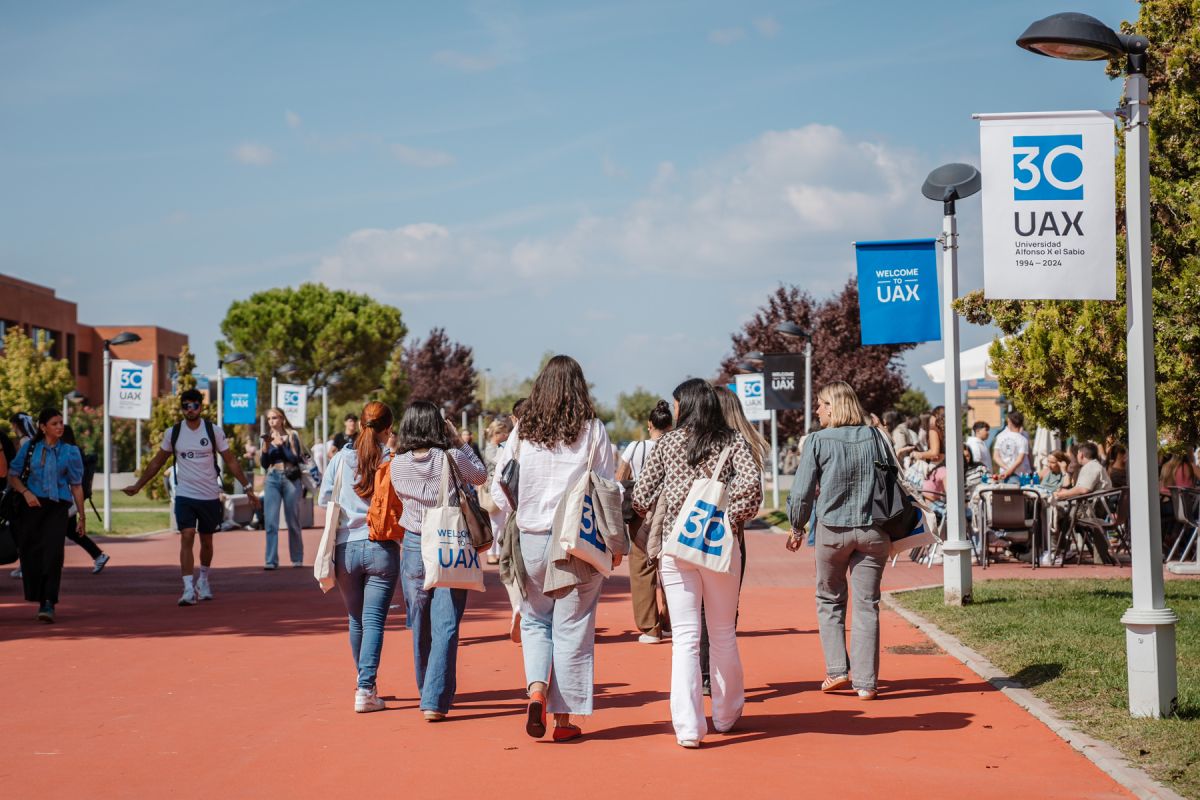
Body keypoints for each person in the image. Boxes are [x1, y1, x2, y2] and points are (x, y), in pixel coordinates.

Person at [491, 355, 619, 742]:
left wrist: (524, 508)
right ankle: (563, 720)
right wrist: (615, 543)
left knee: (534, 619)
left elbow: (499, 487)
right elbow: (609, 485)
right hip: (574, 541)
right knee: (572, 628)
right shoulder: (592, 429)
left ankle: (535, 691)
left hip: (530, 538)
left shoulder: (523, 431)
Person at [631, 379, 761, 748]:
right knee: (722, 633)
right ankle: (726, 713)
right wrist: (729, 518)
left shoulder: (668, 443)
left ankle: (688, 727)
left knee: (685, 639)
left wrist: (665, 503)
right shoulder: (733, 441)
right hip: (720, 546)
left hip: (677, 546)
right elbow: (752, 488)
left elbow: (640, 495)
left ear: (685, 405)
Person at [786, 381, 891, 701]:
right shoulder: (877, 437)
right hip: (874, 529)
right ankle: (866, 682)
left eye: (820, 404)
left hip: (833, 530)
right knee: (867, 604)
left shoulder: (818, 441)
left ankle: (836, 671)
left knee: (829, 599)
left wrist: (796, 526)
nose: (816, 410)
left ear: (833, 406)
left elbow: (802, 491)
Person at [391, 401, 487, 721]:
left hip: (415, 541)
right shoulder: (449, 456)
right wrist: (458, 440)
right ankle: (434, 698)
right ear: (436, 425)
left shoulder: (397, 463)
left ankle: (426, 687)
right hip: (448, 538)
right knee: (446, 622)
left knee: (420, 619)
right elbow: (480, 476)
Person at [124, 389, 259, 605]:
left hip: (209, 494)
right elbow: (158, 462)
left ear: (201, 407)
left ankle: (203, 579)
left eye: (194, 405)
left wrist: (247, 487)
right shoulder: (174, 433)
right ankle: (188, 588)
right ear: (182, 408)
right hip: (185, 494)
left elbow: (231, 460)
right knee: (187, 536)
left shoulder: (212, 431)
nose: (190, 409)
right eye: (186, 406)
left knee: (206, 541)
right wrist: (139, 485)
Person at [317, 401, 400, 714]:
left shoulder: (339, 460)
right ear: (387, 428)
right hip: (380, 544)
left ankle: (365, 684)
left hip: (345, 547)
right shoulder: (390, 459)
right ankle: (366, 687)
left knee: (356, 619)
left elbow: (325, 498)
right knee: (374, 620)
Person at [7, 409, 84, 622]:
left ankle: (48, 602)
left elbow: (76, 486)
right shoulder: (30, 448)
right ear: (43, 427)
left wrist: (82, 517)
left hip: (57, 508)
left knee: (53, 553)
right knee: (31, 554)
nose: (60, 427)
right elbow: (13, 476)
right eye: (54, 423)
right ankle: (38, 594)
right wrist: (26, 492)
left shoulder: (70, 452)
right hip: (30, 508)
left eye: (61, 422)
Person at [617, 399, 673, 645]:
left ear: (649, 424)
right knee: (671, 567)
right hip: (670, 510)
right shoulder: (675, 446)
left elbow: (621, 477)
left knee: (642, 567)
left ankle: (650, 628)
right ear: (671, 425)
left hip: (640, 514)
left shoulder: (635, 447)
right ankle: (671, 620)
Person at [1053, 442, 1114, 564]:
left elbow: (1083, 489)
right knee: (1060, 513)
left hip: (1091, 511)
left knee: (1057, 514)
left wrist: (1061, 494)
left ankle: (1057, 552)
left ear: (1080, 455)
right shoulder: (1095, 466)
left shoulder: (1090, 467)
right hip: (1097, 509)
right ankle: (1061, 551)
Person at [260, 407, 305, 569]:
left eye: (275, 417)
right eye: (269, 418)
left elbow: (294, 457)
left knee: (292, 520)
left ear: (282, 419)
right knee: (271, 522)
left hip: (290, 478)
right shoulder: (267, 437)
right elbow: (264, 464)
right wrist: (266, 446)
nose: (271, 421)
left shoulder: (292, 435)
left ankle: (297, 558)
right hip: (272, 477)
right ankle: (271, 560)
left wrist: (280, 445)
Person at [61, 425, 110, 574]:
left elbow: (73, 480)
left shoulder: (68, 452)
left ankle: (54, 565)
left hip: (66, 498)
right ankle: (98, 555)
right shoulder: (75, 450)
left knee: (57, 532)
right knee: (70, 531)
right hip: (71, 499)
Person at [993, 411, 1033, 484]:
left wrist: (1007, 469)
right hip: (1019, 475)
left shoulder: (1000, 437)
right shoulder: (1023, 439)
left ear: (1009, 421)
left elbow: (996, 456)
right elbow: (1019, 460)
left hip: (1003, 474)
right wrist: (1009, 471)